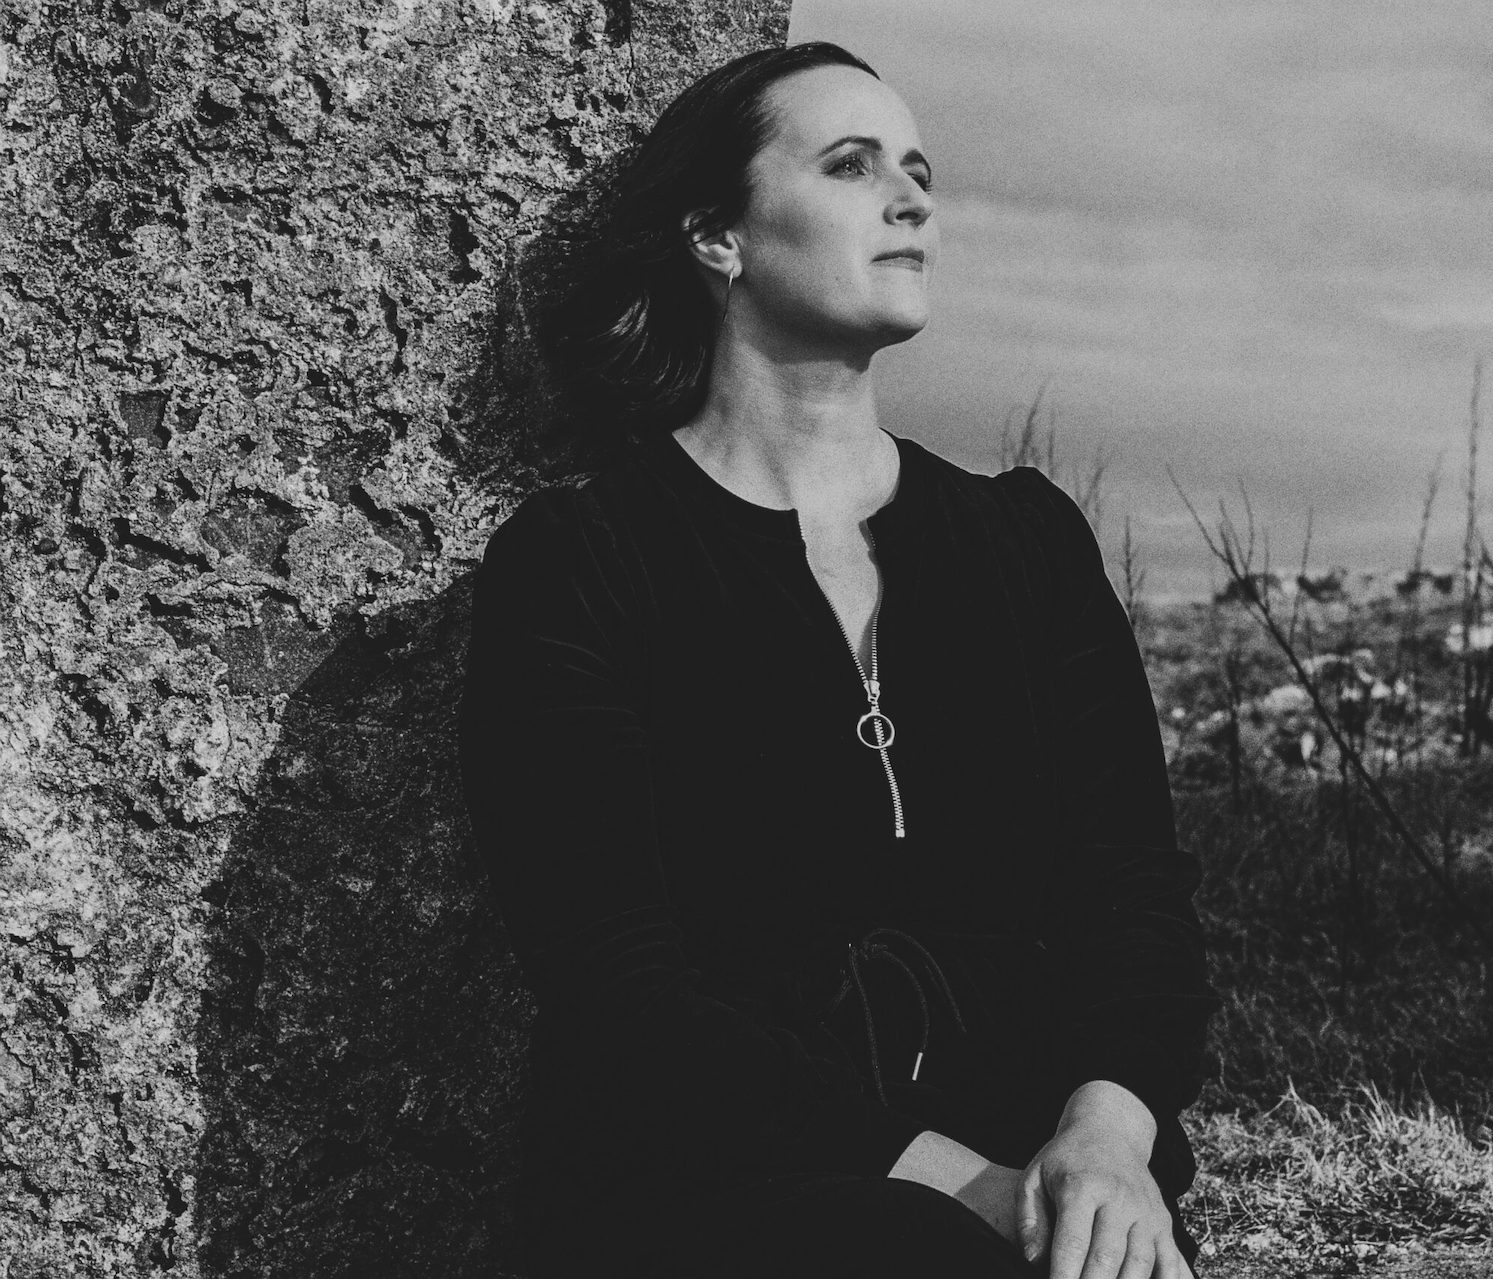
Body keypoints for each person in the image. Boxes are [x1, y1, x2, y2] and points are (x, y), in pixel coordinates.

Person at [457, 40, 1218, 1279]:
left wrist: (1107, 1138)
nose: (912, 198)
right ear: (718, 235)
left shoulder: (1023, 542)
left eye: (918, 170)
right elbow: (619, 987)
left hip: (1039, 1155)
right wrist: (973, 1190)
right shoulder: (584, 562)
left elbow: (1131, 896)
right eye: (852, 164)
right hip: (713, 1179)